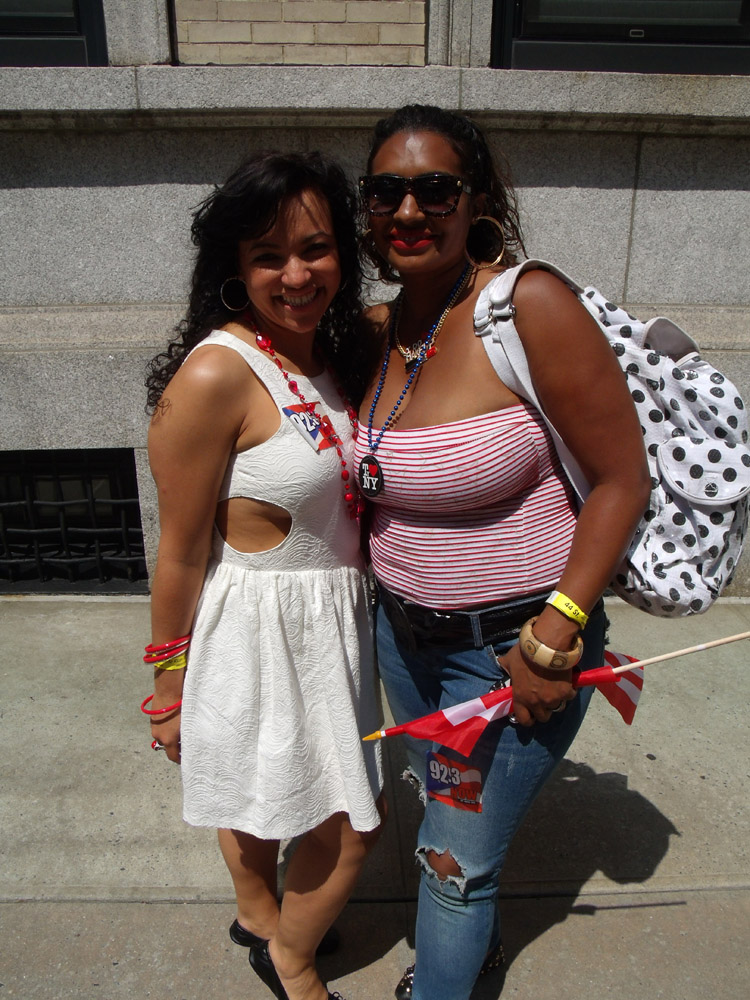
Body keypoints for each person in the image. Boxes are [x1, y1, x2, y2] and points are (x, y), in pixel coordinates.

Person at [354, 105, 651, 1000]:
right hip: (403, 644)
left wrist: (556, 633)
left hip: (513, 651)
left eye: (435, 189)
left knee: (452, 862)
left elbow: (621, 479)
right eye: (387, 191)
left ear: (476, 199)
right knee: (445, 817)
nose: (410, 210)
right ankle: (471, 950)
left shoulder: (527, 305)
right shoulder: (375, 329)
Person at [143, 151, 385, 1000]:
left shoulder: (329, 355)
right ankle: (291, 959)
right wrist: (168, 685)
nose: (296, 275)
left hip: (330, 622)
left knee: (265, 791)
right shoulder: (217, 373)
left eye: (315, 249)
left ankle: (258, 918)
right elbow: (178, 552)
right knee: (349, 826)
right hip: (256, 628)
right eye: (268, 256)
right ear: (234, 269)